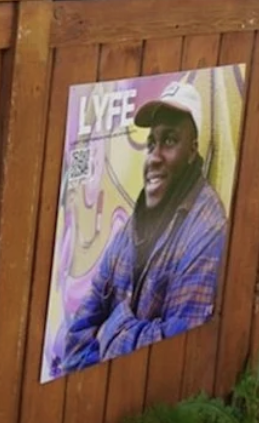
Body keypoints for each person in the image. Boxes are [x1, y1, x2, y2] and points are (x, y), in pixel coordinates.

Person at [60, 80, 228, 371]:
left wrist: (112, 327)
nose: (154, 157)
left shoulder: (207, 228)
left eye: (170, 141)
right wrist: (95, 366)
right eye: (152, 144)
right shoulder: (134, 226)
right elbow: (80, 329)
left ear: (192, 151)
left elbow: (179, 342)